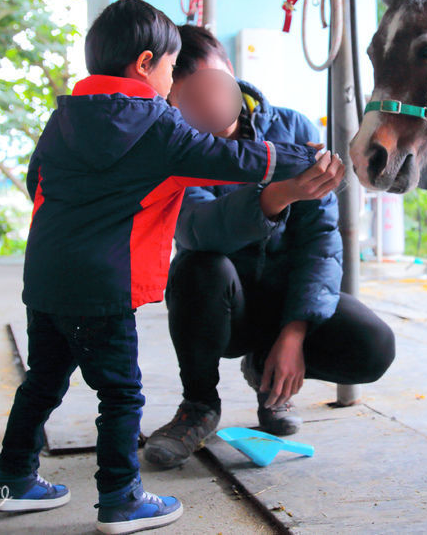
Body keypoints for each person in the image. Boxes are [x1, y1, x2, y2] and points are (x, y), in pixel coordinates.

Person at [0, 0, 330, 535]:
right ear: (146, 64)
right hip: (103, 285)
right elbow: (235, 160)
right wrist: (306, 159)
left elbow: (39, 183)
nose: (173, 85)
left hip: (46, 279)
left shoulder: (64, 117)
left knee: (43, 382)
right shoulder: (155, 124)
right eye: (171, 70)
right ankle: (121, 499)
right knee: (121, 394)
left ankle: (12, 481)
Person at [143, 25, 396, 470]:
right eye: (190, 98)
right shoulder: (177, 149)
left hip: (284, 297)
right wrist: (276, 195)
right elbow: (197, 230)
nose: (209, 104)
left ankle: (266, 374)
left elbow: (320, 240)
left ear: (231, 74)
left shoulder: (292, 128)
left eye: (213, 87)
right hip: (224, 307)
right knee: (198, 266)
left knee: (373, 345)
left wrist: (295, 330)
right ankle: (198, 406)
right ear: (173, 101)